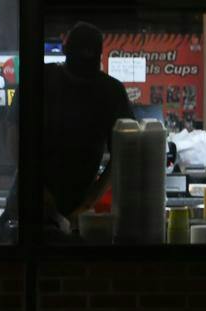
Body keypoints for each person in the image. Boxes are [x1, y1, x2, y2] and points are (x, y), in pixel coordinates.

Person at [8, 21, 134, 234]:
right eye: (75, 77)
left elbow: (124, 154)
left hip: (79, 204)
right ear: (65, 54)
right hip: (29, 197)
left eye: (86, 79)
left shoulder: (110, 92)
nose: (80, 84)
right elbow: (14, 135)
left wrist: (89, 200)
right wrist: (36, 184)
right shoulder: (39, 80)